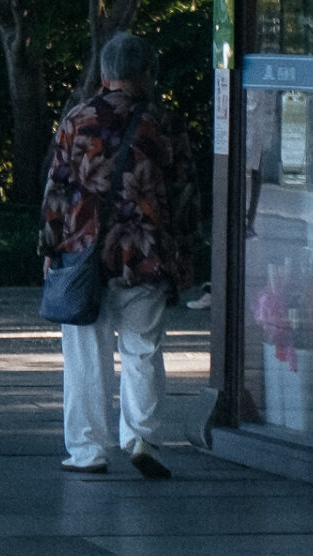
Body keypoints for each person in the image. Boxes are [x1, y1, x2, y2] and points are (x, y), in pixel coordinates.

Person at [40, 30, 198, 480]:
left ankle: (88, 450)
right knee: (142, 348)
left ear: (105, 74)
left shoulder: (78, 118)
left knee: (85, 354)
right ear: (146, 73)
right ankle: (142, 438)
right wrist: (186, 253)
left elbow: (58, 187)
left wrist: (50, 245)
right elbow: (185, 194)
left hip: (82, 251)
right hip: (146, 252)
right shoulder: (164, 123)